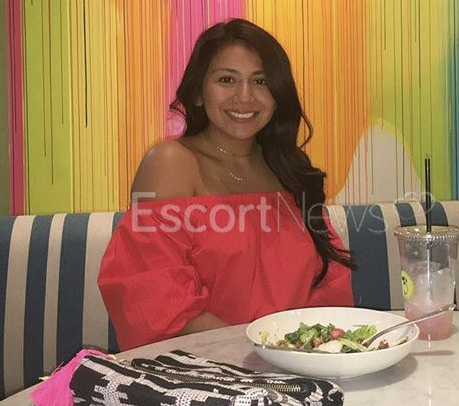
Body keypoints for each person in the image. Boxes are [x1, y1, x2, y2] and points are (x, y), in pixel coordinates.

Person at [98, 19, 354, 351]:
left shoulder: (289, 170)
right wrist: (260, 353)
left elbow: (328, 285)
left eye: (260, 81)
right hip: (200, 365)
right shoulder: (170, 163)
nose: (244, 97)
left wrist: (308, 352)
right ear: (197, 93)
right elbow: (155, 296)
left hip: (293, 363)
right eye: (226, 80)